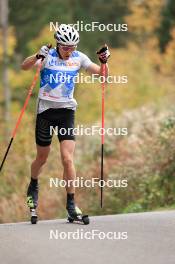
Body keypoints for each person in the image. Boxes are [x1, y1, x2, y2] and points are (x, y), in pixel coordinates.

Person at [21, 24, 110, 221]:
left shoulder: (79, 57)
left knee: (67, 158)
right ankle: (33, 183)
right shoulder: (48, 56)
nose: (70, 51)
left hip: (66, 112)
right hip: (45, 112)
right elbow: (24, 66)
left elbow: (103, 75)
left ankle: (71, 204)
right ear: (58, 45)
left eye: (73, 47)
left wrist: (104, 62)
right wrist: (37, 56)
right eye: (66, 47)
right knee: (42, 158)